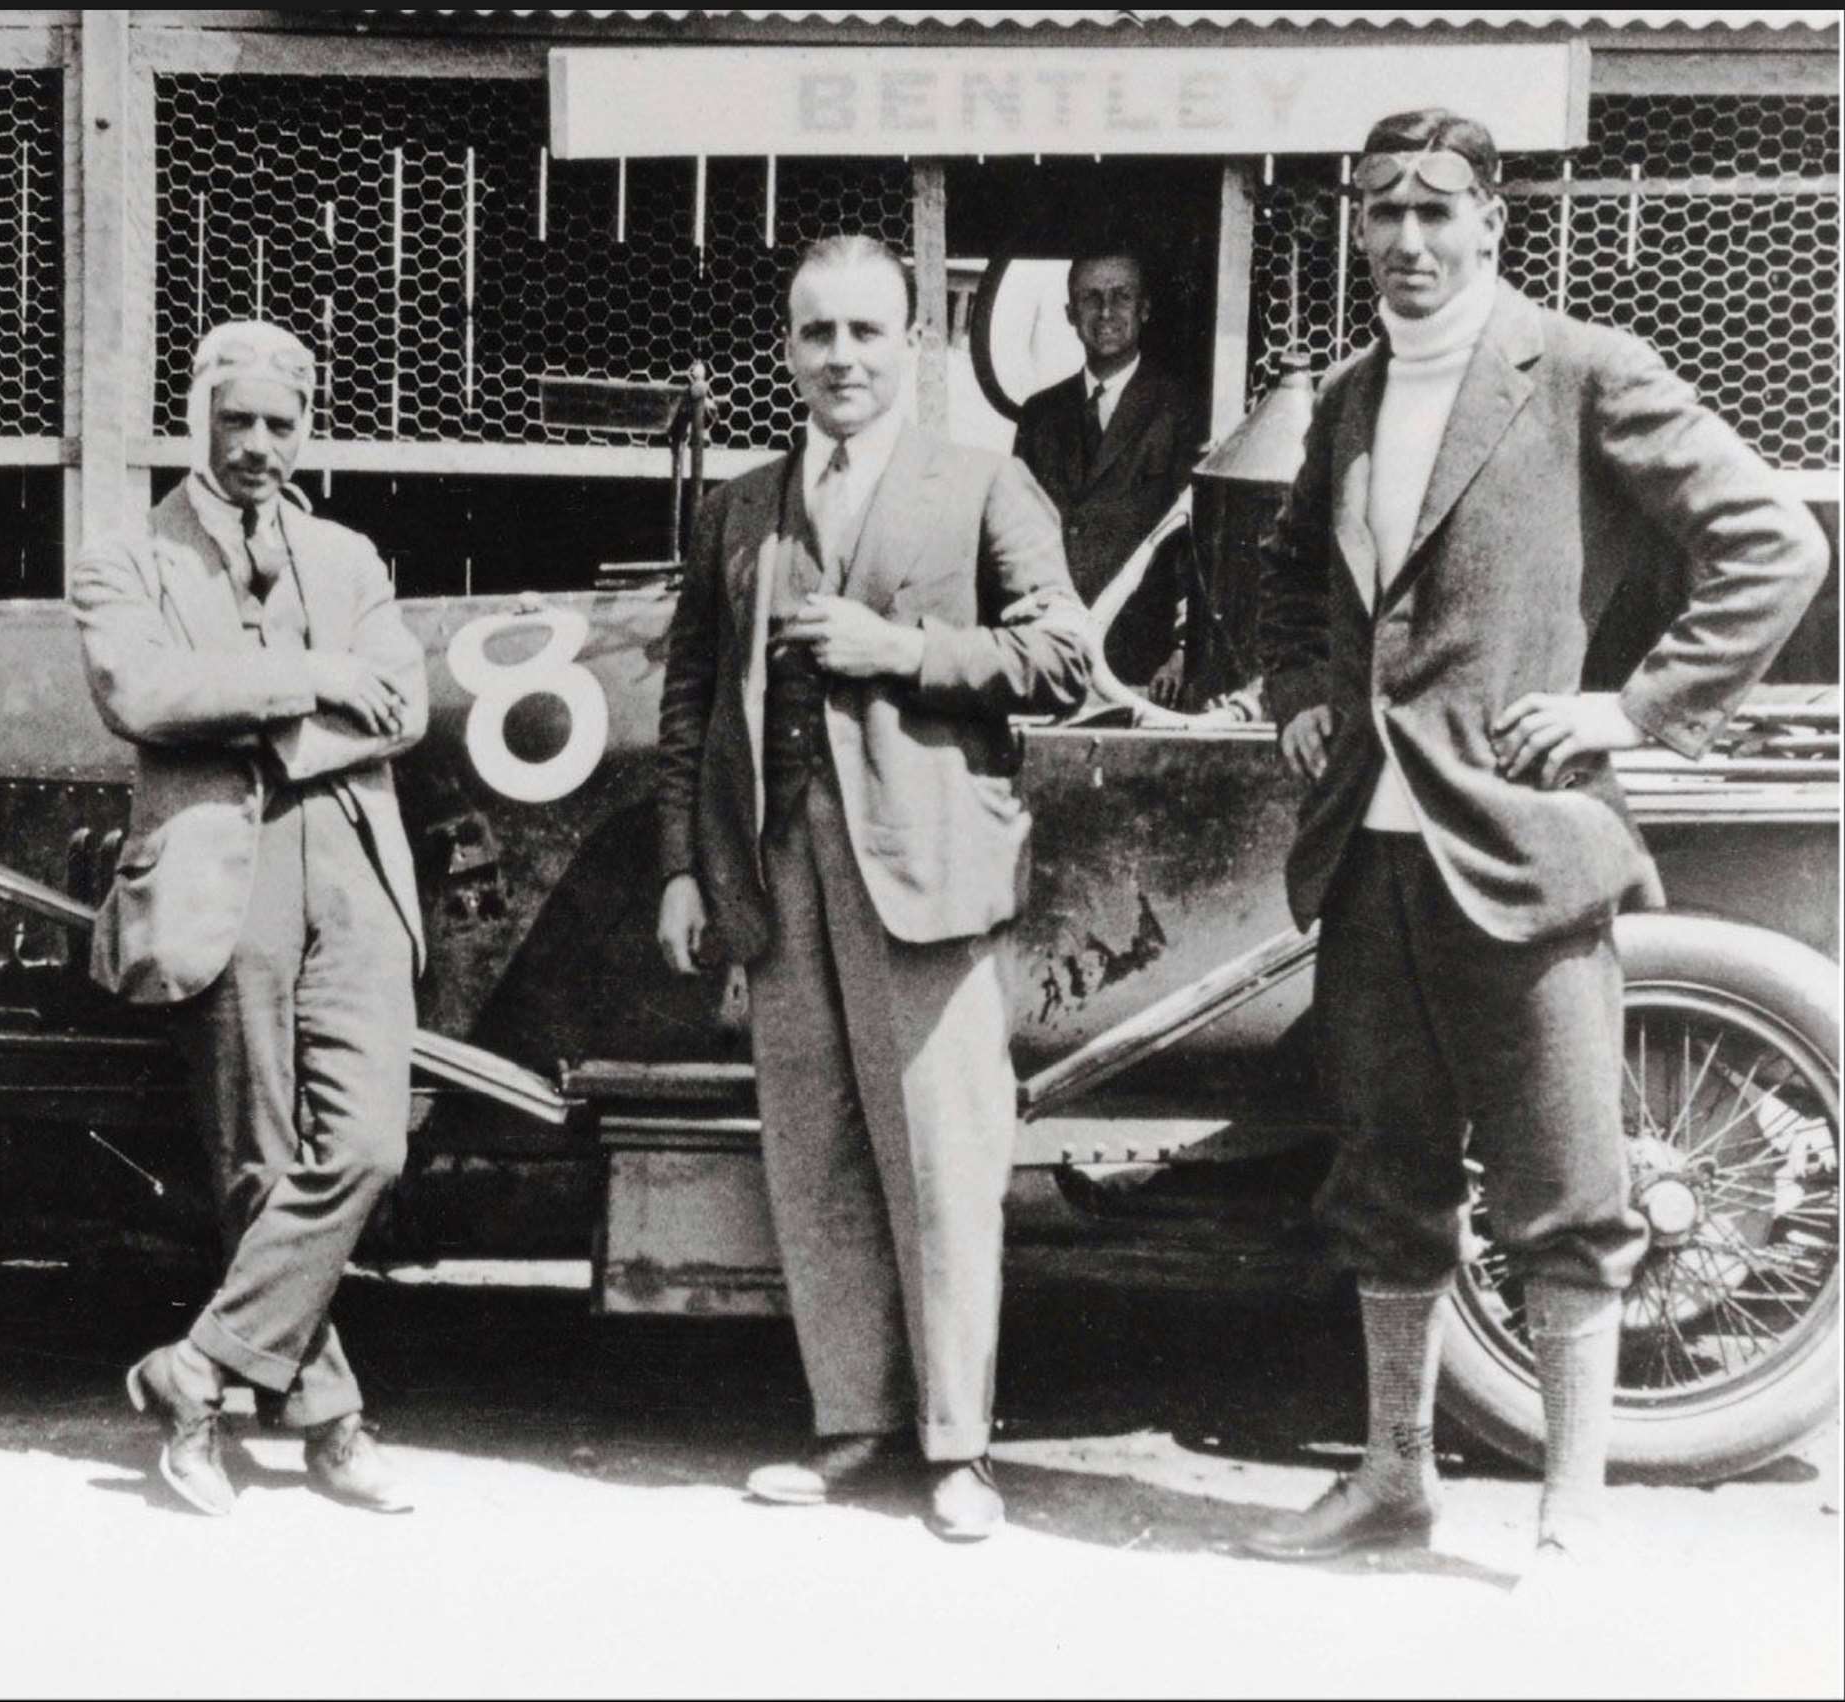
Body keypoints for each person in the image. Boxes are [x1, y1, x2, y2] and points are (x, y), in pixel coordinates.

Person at [1242, 110, 1825, 1572]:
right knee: (1383, 1184)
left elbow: (1773, 542)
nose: (1411, 243)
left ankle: (1571, 1509)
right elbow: (1291, 562)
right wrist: (1304, 692)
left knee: (1566, 1188)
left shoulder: (1582, 371)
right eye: (1384, 213)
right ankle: (1392, 1480)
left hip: (1526, 851)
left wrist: (1630, 711)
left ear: (1495, 223)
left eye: (1441, 214)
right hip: (1370, 852)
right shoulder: (1352, 393)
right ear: (1357, 227)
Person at [653, 235, 1096, 1542]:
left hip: (928, 868)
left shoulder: (983, 482)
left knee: (945, 1163)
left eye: (864, 333)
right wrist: (683, 865)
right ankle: (850, 1424)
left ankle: (959, 1449)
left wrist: (899, 649)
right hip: (778, 868)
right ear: (787, 349)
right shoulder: (739, 505)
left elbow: (1068, 655)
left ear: (912, 344)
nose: (839, 358)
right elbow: (688, 700)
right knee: (818, 1154)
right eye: (815, 333)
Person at [67, 319, 427, 1519]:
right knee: (255, 1163)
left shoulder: (351, 554)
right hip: (223, 867)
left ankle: (198, 1366)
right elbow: (141, 693)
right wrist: (311, 679)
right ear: (196, 419)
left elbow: (407, 705)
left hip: (353, 868)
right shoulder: (124, 558)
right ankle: (325, 1418)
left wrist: (246, 698)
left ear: (306, 425)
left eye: (282, 422)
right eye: (238, 422)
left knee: (369, 1142)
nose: (260, 445)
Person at [1012, 250, 1204, 701]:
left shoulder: (1181, 410)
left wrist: (1181, 650)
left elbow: (1194, 544)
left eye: (1121, 297)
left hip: (1144, 665)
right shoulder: (1040, 415)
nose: (1105, 313)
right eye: (1090, 299)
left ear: (1145, 309)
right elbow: (1018, 535)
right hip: (1055, 653)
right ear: (1070, 313)